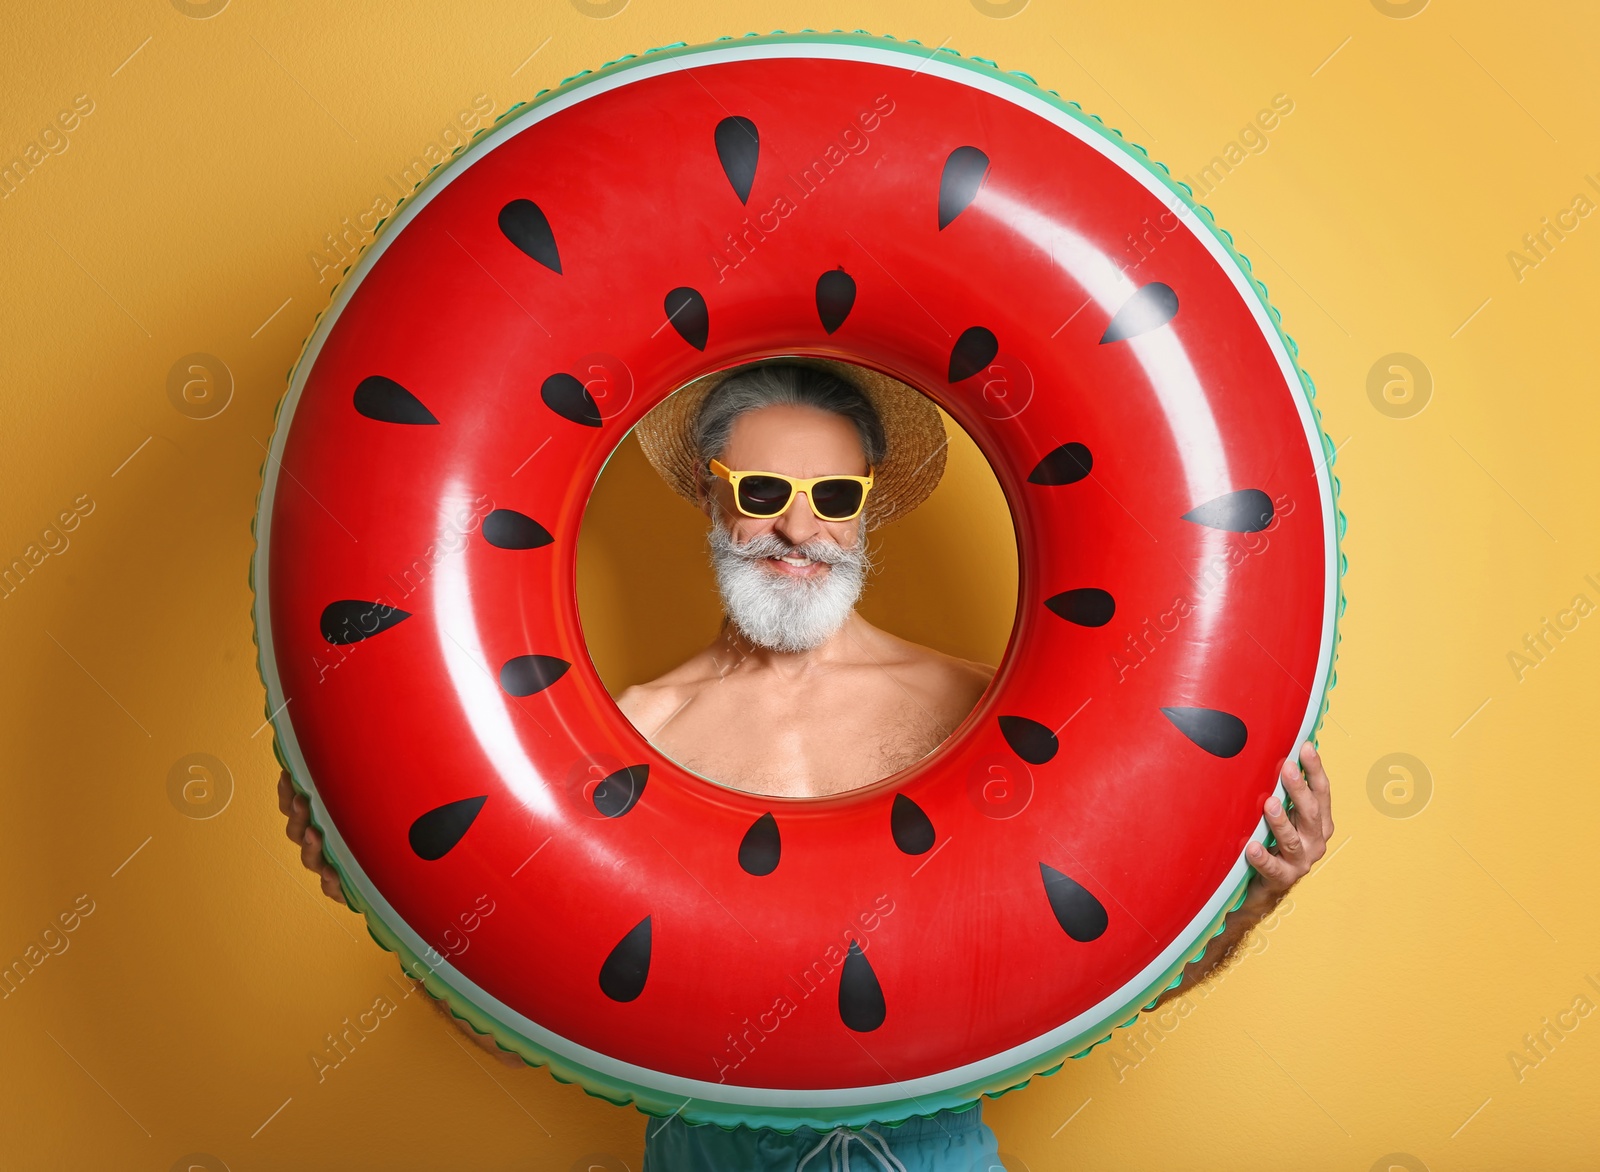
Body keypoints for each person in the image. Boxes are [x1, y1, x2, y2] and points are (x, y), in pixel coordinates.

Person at [280, 359, 1336, 1171]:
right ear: (710, 493)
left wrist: (1254, 902)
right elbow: (533, 1026)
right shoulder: (626, 738)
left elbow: (1100, 975)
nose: (799, 527)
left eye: (835, 496)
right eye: (765, 487)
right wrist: (376, 898)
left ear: (868, 510)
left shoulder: (979, 713)